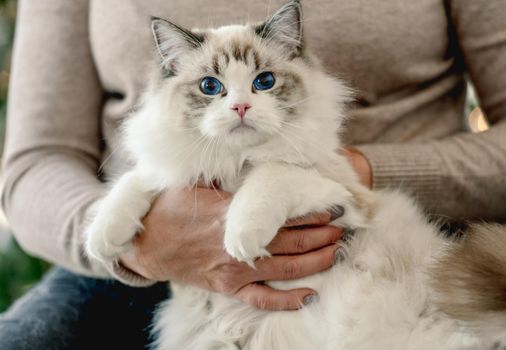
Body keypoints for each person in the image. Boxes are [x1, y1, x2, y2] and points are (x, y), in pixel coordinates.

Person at [1, 0, 505, 349]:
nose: (239, 104)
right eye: (213, 89)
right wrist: (141, 244)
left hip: (384, 244)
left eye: (262, 83)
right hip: (139, 272)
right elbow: (33, 163)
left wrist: (358, 170)